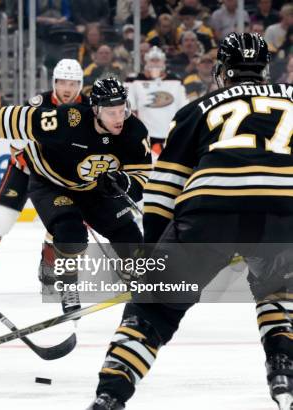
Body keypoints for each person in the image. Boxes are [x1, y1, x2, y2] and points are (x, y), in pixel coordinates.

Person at [87, 32, 292, 410]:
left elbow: (162, 194)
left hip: (209, 212)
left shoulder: (198, 108)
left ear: (223, 71)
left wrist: (154, 257)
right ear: (265, 70)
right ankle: (283, 374)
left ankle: (110, 396)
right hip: (284, 212)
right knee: (279, 288)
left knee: (152, 308)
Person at [0, 77, 152, 321]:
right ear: (96, 109)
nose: (119, 118)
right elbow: (10, 118)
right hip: (50, 184)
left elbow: (141, 175)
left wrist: (124, 184)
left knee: (128, 233)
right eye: (111, 112)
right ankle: (68, 288)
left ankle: (138, 279)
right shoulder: (68, 119)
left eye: (123, 110)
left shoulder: (134, 131)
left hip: (92, 189)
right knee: (71, 233)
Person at [0, 58, 93, 297]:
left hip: (60, 178)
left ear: (80, 84)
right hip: (25, 170)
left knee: (62, 223)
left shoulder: (90, 109)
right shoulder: (37, 105)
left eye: (72, 83)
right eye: (62, 82)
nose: (67, 88)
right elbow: (16, 144)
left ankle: (49, 268)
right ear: (54, 83)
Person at [125, 46, 187, 155]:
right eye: (152, 60)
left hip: (170, 137)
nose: (155, 63)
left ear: (164, 62)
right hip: (145, 137)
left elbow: (184, 110)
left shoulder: (176, 81)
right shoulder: (133, 80)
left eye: (157, 60)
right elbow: (130, 110)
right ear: (146, 62)